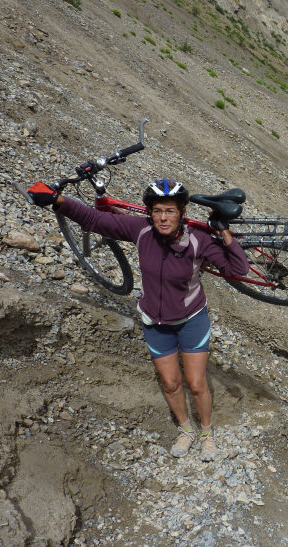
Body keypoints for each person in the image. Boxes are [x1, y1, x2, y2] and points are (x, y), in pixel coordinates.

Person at [27, 178, 249, 461]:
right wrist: (57, 200)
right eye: (157, 211)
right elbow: (95, 220)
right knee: (170, 383)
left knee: (196, 383)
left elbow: (239, 268)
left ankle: (206, 433)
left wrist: (224, 232)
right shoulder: (141, 230)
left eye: (170, 210)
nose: (163, 217)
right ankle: (186, 430)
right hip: (155, 322)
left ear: (181, 212)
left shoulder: (198, 239)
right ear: (150, 213)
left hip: (192, 319)